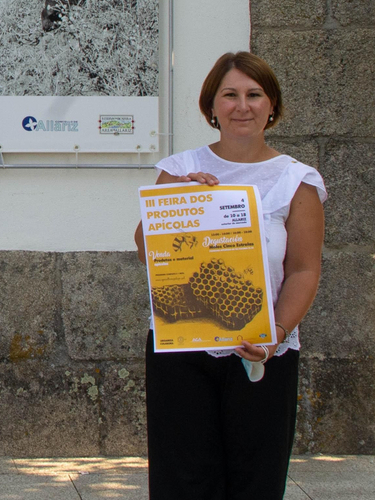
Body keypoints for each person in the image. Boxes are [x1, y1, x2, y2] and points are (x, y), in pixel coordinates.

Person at [137, 51, 327, 500]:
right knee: (181, 479)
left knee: (255, 480)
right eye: (230, 95)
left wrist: (275, 335)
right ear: (212, 107)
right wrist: (177, 203)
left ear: (272, 105)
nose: (243, 106)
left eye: (254, 95)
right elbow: (148, 251)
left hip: (261, 350)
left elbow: (303, 270)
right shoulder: (179, 170)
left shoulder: (296, 180)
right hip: (182, 347)